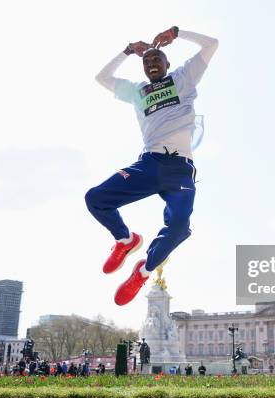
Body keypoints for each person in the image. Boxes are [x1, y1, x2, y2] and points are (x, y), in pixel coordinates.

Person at [87, 26, 218, 306]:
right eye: (147, 62)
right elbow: (102, 78)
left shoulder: (183, 78)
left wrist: (178, 33)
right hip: (149, 163)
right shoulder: (137, 91)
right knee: (95, 198)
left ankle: (143, 272)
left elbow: (211, 44)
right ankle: (125, 241)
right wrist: (126, 50)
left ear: (167, 63)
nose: (151, 64)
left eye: (157, 59)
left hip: (180, 170)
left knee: (181, 226)